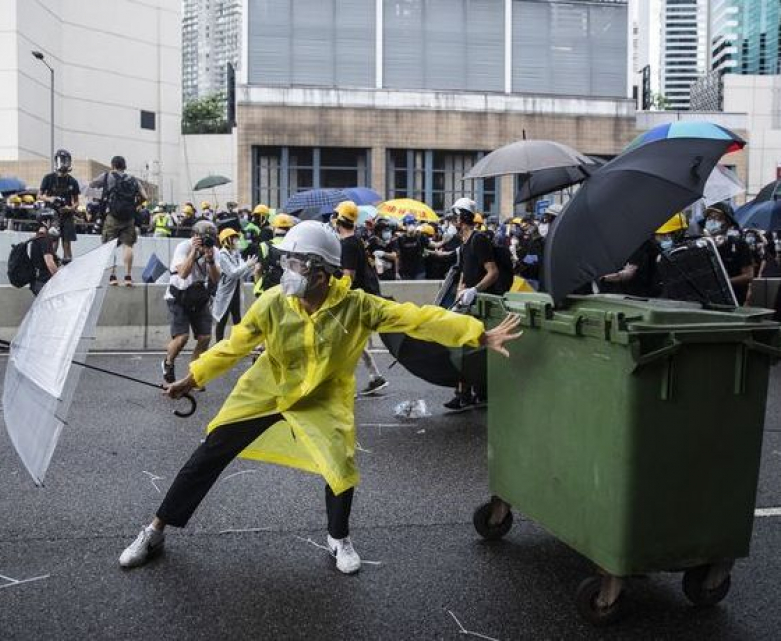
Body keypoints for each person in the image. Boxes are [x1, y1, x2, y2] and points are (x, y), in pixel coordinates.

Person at [118, 220, 523, 573]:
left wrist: (477, 334)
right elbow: (234, 346)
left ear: (320, 272)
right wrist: (192, 378)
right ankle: (155, 530)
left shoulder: (357, 306)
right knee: (211, 450)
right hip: (267, 390)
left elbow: (417, 318)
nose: (286, 270)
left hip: (324, 396)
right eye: (287, 261)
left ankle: (338, 538)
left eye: (295, 263)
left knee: (340, 466)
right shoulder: (274, 302)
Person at [444, 197, 512, 412]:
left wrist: (475, 290)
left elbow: (493, 272)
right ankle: (463, 393)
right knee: (464, 346)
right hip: (468, 303)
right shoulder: (464, 243)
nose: (452, 220)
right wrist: (460, 293)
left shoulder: (479, 239)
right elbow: (464, 273)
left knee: (474, 348)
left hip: (482, 303)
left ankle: (477, 393)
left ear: (462, 217)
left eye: (455, 216)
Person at [334, 201, 388, 396]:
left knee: (347, 342)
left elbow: (348, 277)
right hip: (364, 296)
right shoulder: (355, 240)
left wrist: (334, 289)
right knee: (353, 341)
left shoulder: (348, 244)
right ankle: (375, 376)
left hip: (356, 299)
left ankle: (347, 386)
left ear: (339, 220)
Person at [161, 221, 220, 385]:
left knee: (205, 337)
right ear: (195, 236)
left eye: (211, 238)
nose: (207, 241)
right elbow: (183, 274)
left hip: (198, 296)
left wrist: (211, 261)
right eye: (204, 238)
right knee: (182, 338)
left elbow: (216, 278)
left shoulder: (214, 251)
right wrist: (193, 252)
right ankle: (168, 362)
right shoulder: (184, 247)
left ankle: (192, 377)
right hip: (178, 296)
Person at [97, 156, 147, 286]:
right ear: (124, 166)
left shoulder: (107, 176)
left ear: (112, 165)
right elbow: (144, 196)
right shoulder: (133, 179)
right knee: (128, 246)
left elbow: (92, 185)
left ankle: (113, 277)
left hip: (112, 216)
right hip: (129, 217)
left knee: (110, 246)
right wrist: (135, 204)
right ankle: (128, 276)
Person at [703, 203, 753, 305]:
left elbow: (748, 275)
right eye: (709, 218)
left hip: (733, 300)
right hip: (708, 300)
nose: (712, 221)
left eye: (717, 218)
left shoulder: (739, 245)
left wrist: (725, 282)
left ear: (728, 222)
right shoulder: (703, 245)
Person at [213, 227, 257, 343]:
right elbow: (233, 273)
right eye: (233, 238)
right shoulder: (222, 255)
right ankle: (218, 345)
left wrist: (251, 267)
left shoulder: (236, 254)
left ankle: (238, 344)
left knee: (237, 320)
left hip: (236, 290)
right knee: (222, 319)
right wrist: (247, 265)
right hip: (226, 292)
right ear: (227, 240)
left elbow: (242, 272)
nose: (236, 241)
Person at [39, 149, 80, 264]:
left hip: (66, 215)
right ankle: (51, 268)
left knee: (67, 244)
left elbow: (76, 202)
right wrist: (50, 199)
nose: (63, 164)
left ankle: (68, 266)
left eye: (66, 161)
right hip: (51, 215)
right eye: (61, 161)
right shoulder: (48, 178)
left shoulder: (72, 181)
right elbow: (39, 195)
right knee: (53, 243)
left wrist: (71, 208)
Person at [253, 213, 293, 296]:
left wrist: (257, 283)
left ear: (274, 229)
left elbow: (258, 268)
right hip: (289, 289)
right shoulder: (294, 246)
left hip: (269, 289)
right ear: (289, 229)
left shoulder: (264, 246)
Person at [393, 213, 430, 280]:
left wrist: (443, 241)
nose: (411, 225)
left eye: (413, 223)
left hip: (419, 271)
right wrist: (396, 272)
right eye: (409, 223)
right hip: (405, 271)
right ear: (405, 225)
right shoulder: (400, 239)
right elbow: (397, 256)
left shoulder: (420, 237)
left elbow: (432, 244)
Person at [29, 224, 61, 296]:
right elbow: (49, 262)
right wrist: (59, 278)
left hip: (37, 281)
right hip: (43, 282)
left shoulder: (37, 238)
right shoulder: (45, 240)